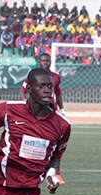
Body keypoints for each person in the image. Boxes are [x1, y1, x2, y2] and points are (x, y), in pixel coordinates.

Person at [20, 53, 65, 183]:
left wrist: (62, 110)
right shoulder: (33, 76)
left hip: (51, 114)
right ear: (39, 62)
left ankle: (55, 174)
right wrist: (24, 104)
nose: (45, 63)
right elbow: (23, 90)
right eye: (43, 60)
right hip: (36, 113)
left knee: (54, 145)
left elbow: (59, 94)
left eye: (47, 61)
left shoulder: (55, 77)